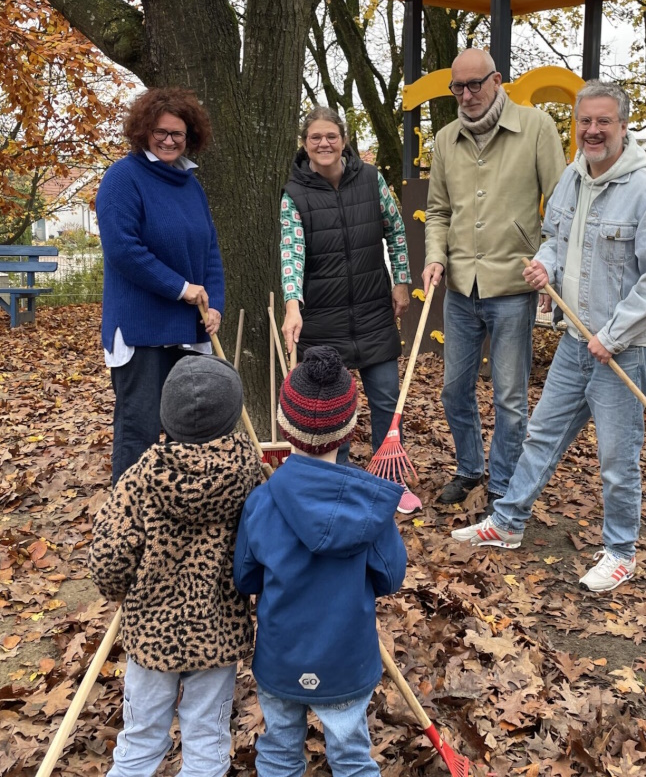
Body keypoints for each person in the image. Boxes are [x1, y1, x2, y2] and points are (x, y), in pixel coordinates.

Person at [451, 81, 646, 593]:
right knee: (541, 435)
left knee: (617, 460)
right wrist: (543, 267)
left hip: (622, 349)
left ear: (623, 127)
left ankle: (621, 551)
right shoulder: (572, 181)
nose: (592, 131)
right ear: (575, 126)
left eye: (604, 122)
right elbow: (556, 239)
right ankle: (508, 522)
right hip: (576, 343)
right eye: (585, 122)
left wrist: (614, 335)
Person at [234, 346, 407, 777]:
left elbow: (246, 576)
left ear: (282, 424)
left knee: (278, 755)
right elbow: (389, 576)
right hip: (346, 661)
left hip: (280, 659)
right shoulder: (369, 508)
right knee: (351, 759)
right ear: (350, 428)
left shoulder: (261, 503)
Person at [89, 355, 263, 777]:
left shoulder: (139, 478)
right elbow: (263, 553)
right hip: (217, 636)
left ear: (166, 416)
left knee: (140, 739)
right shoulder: (252, 478)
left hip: (150, 637)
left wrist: (122, 593)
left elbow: (109, 558)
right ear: (233, 416)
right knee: (206, 741)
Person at [422, 48, 566, 516]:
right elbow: (439, 212)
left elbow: (560, 210)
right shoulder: (445, 139)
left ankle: (502, 483)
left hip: (512, 288)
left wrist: (548, 260)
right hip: (462, 287)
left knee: (509, 395)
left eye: (475, 85)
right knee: (453, 390)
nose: (466, 95)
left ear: (497, 79)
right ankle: (470, 468)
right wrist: (435, 257)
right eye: (457, 88)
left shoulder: (537, 127)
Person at [95, 87, 224, 486]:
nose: (169, 140)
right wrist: (180, 288)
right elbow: (122, 250)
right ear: (143, 131)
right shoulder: (123, 177)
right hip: (141, 330)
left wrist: (214, 303)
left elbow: (210, 251)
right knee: (140, 431)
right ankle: (126, 527)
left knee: (190, 434)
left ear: (190, 137)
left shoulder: (191, 185)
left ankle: (175, 520)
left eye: (177, 134)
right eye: (160, 132)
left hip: (188, 330)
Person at [280, 107, 413, 475]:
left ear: (344, 140)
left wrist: (401, 281)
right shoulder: (294, 194)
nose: (324, 143)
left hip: (373, 312)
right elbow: (290, 253)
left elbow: (396, 231)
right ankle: (331, 476)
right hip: (322, 319)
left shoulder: (372, 180)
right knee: (328, 406)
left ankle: (389, 475)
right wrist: (293, 307)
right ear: (305, 145)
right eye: (315, 138)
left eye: (331, 136)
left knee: (387, 396)